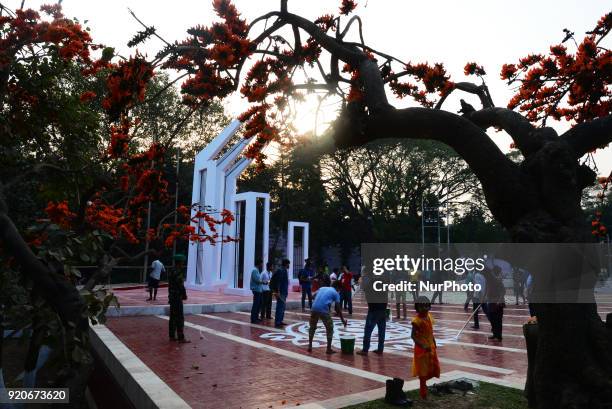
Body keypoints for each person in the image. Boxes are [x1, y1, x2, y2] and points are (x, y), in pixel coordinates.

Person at [411, 296, 440, 400]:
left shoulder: (429, 317)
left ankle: (425, 386)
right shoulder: (416, 321)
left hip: (431, 347)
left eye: (426, 306)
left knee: (433, 367)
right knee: (423, 371)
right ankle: (423, 392)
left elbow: (431, 332)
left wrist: (434, 342)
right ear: (417, 308)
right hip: (421, 349)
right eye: (421, 306)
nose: (424, 308)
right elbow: (413, 336)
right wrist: (423, 345)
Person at [307, 281, 347, 354]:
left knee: (312, 327)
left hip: (314, 308)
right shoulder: (335, 293)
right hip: (323, 310)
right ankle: (328, 349)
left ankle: (310, 346)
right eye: (339, 289)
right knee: (330, 328)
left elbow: (312, 296)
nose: (339, 291)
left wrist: (319, 302)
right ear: (338, 287)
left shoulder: (322, 288)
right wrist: (343, 320)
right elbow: (338, 309)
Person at [168, 254, 189, 343]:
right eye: (182, 262)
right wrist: (184, 295)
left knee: (172, 317)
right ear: (180, 262)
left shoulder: (171, 271)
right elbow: (180, 285)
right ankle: (181, 337)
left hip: (172, 296)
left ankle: (172, 336)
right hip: (177, 297)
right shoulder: (178, 272)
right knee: (179, 317)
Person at [485, 266, 505, 341]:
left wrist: (499, 300)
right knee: (492, 318)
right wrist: (483, 298)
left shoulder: (498, 280)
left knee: (498, 319)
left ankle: (499, 335)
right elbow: (486, 290)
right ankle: (494, 333)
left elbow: (503, 291)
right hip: (490, 302)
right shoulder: (489, 280)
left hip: (497, 303)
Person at [272, 259, 290, 328]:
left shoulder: (284, 270)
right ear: (286, 264)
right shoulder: (281, 270)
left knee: (282, 307)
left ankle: (280, 320)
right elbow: (278, 282)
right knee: (280, 307)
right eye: (288, 264)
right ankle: (277, 322)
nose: (289, 265)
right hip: (281, 292)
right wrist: (278, 292)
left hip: (284, 291)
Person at [250, 259, 264, 324]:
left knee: (259, 304)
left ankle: (256, 317)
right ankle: (253, 318)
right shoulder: (255, 270)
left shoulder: (257, 270)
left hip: (259, 290)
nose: (262, 265)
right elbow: (257, 280)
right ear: (259, 264)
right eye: (261, 263)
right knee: (256, 304)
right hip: (256, 290)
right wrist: (264, 282)